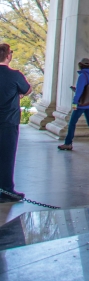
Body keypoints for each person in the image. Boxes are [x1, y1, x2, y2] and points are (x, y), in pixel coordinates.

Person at [0, 43, 30, 201]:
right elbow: (27, 90)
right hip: (8, 122)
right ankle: (6, 190)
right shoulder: (15, 75)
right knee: (7, 157)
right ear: (8, 56)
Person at [57, 58, 89, 151]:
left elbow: (79, 91)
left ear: (81, 65)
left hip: (81, 104)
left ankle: (68, 143)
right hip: (88, 104)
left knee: (72, 123)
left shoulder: (82, 76)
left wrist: (74, 103)